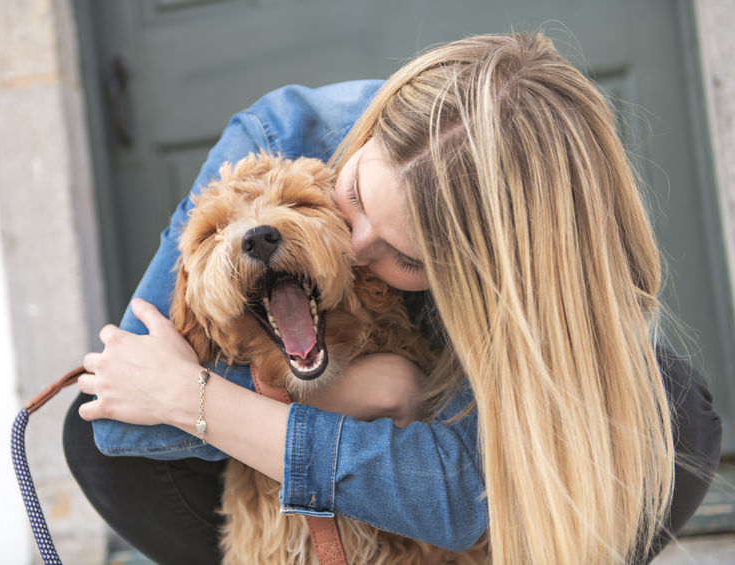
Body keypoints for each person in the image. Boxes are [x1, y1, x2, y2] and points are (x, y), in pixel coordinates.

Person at [64, 33, 721, 564]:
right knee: (93, 426)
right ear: (374, 127)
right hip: (291, 464)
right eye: (352, 196)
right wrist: (344, 392)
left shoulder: (539, 269)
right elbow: (125, 415)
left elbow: (462, 496)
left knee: (675, 411)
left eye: (406, 257)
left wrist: (201, 395)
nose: (353, 248)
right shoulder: (281, 131)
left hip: (457, 473)